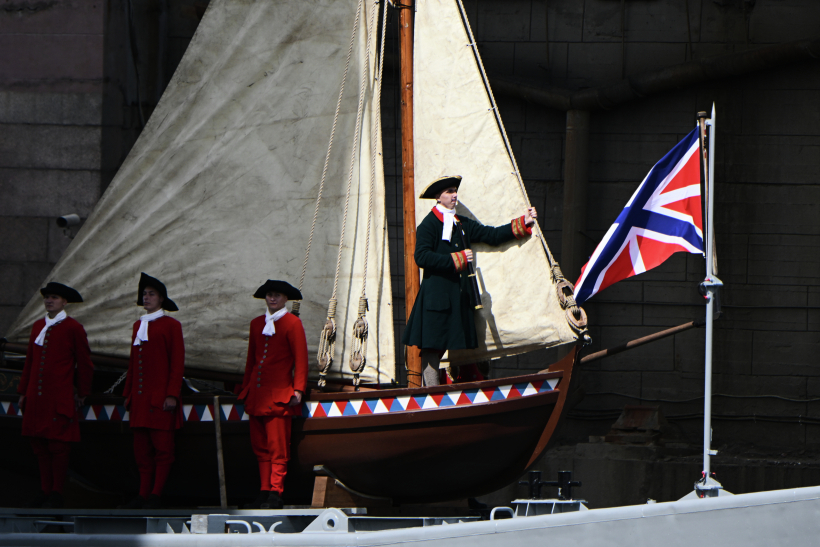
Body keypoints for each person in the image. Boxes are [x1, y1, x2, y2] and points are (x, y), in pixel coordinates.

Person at [402, 175, 537, 386]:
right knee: (432, 348)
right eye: (449, 191)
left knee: (461, 344)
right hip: (436, 299)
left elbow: (490, 235)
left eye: (455, 190)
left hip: (457, 299)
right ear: (438, 197)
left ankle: (461, 390)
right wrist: (457, 259)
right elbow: (422, 257)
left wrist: (523, 222)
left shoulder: (461, 224)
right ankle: (430, 393)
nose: (454, 195)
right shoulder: (428, 225)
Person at [17, 282, 94, 508]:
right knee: (39, 445)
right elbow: (30, 361)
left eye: (54, 298)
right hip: (37, 397)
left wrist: (83, 391)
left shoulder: (73, 328)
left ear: (64, 302)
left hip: (58, 395)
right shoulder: (37, 326)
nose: (49, 301)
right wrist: (23, 391)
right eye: (47, 297)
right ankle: (44, 490)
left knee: (58, 446)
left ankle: (56, 493)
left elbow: (85, 363)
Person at [239, 280, 308, 509]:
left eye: (277, 295)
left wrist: (298, 389)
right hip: (257, 396)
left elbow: (300, 359)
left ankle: (276, 492)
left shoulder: (292, 323)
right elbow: (251, 360)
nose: (272, 299)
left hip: (279, 397)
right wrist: (245, 389)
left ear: (285, 298)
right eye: (269, 295)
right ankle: (264, 490)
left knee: (278, 448)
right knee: (260, 447)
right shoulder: (256, 323)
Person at [122, 273, 184, 509]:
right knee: (141, 453)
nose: (146, 298)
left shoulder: (171, 325)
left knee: (163, 450)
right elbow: (133, 363)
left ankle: (156, 494)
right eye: (144, 294)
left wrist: (171, 394)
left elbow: (177, 362)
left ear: (161, 299)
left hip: (160, 400)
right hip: (139, 400)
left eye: (151, 294)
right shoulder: (139, 325)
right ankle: (142, 494)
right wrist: (128, 393)